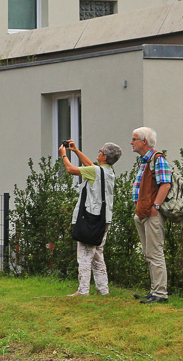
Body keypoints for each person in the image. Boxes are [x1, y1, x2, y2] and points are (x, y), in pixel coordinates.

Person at [60, 139, 122, 296]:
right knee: (97, 255)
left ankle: (83, 291)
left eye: (100, 151)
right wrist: (75, 150)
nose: (98, 153)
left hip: (91, 219)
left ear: (105, 157)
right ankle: (103, 290)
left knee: (85, 255)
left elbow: (70, 170)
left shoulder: (96, 172)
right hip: (104, 219)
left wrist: (63, 155)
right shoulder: (108, 172)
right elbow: (91, 167)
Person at [131, 126, 171, 303]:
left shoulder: (157, 159)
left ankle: (160, 294)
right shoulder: (144, 161)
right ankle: (154, 290)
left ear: (143, 141)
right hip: (143, 212)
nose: (131, 142)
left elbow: (165, 184)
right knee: (149, 253)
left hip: (151, 213)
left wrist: (156, 206)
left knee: (155, 253)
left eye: (134, 139)